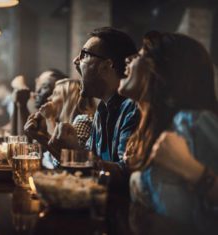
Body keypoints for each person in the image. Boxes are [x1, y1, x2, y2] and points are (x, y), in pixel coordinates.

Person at [118, 31, 218, 228]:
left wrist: (194, 171)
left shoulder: (193, 122)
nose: (128, 59)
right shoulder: (151, 127)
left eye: (140, 55)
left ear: (162, 71)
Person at [49, 27, 140, 190]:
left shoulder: (132, 108)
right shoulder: (102, 110)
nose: (76, 61)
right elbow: (90, 166)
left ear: (106, 66)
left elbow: (127, 174)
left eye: (84, 54)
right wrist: (69, 149)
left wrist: (74, 153)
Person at [25, 79, 96, 168]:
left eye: (55, 94)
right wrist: (40, 135)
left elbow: (60, 163)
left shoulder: (83, 121)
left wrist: (49, 118)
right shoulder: (64, 122)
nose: (49, 98)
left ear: (69, 99)